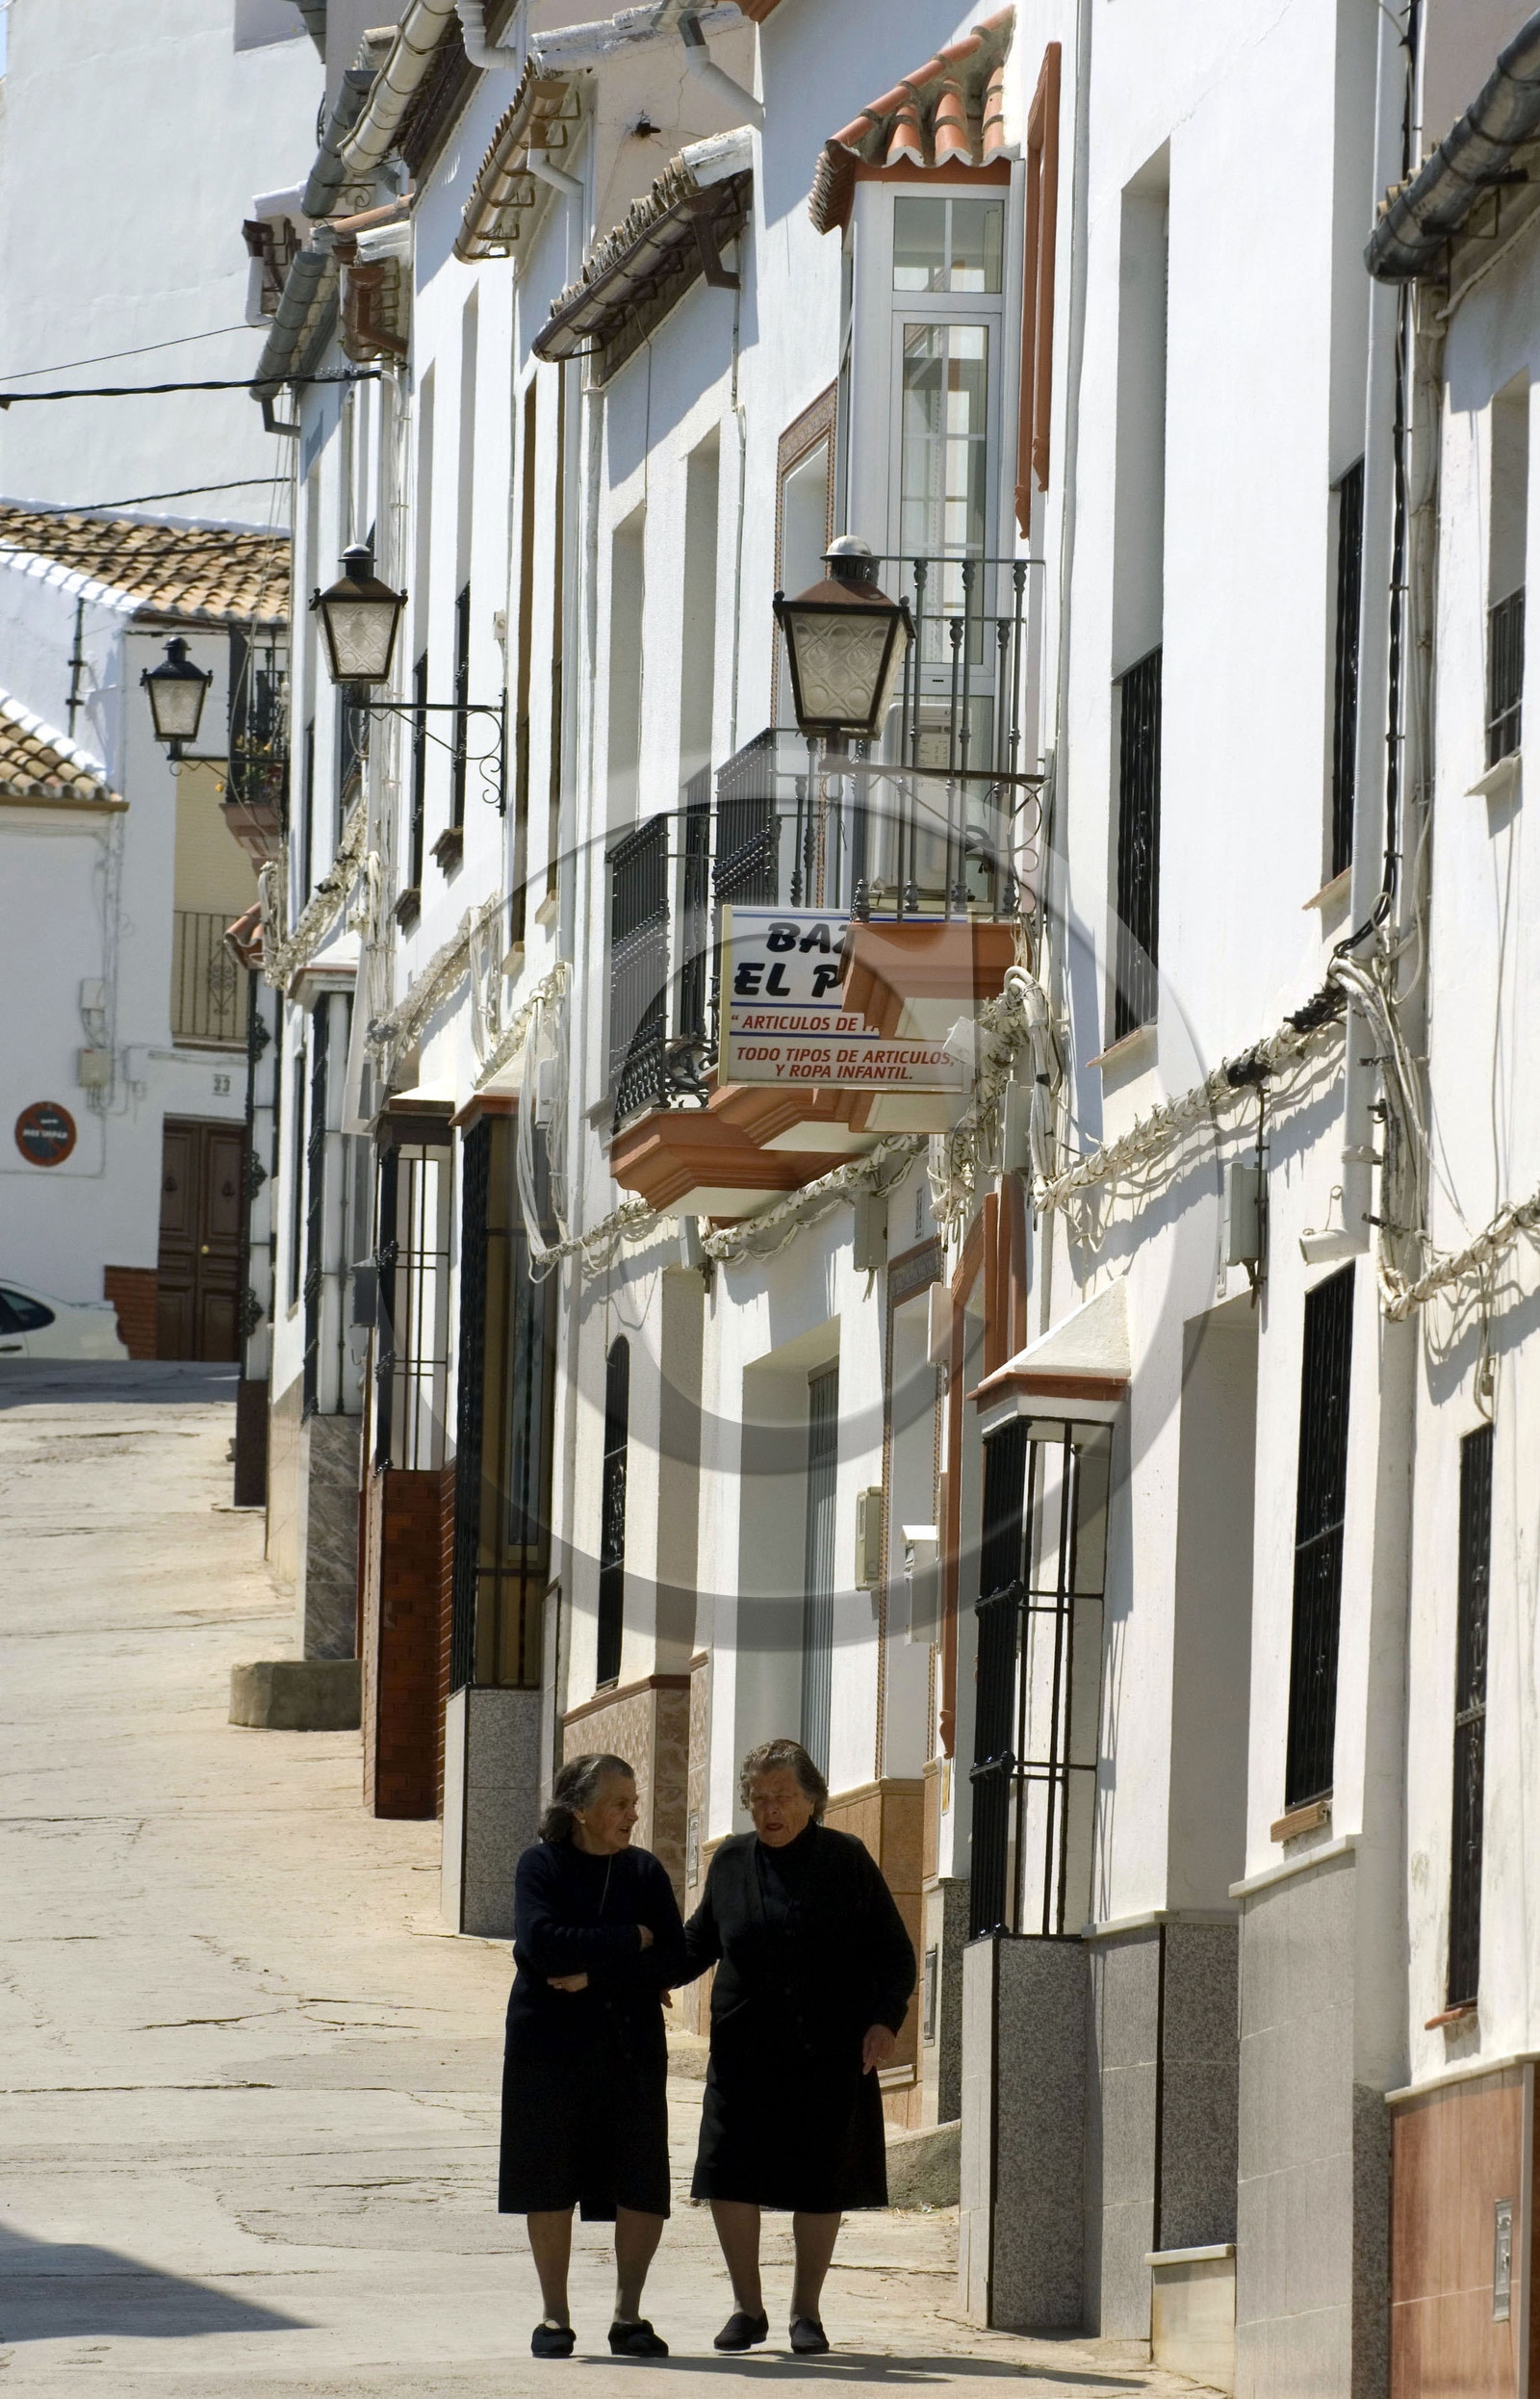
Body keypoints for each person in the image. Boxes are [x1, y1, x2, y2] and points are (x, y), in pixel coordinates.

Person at [680, 1737, 916, 2356]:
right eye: (757, 1799)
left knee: (820, 2178)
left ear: (812, 1799)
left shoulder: (846, 1858)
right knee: (728, 2173)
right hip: (743, 2049)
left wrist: (883, 2021)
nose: (769, 1810)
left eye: (782, 1797)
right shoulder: (730, 1862)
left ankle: (805, 2313)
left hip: (826, 2048)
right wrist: (641, 1974)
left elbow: (893, 1954)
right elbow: (698, 1942)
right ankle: (747, 2308)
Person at [499, 1753, 685, 2359]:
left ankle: (629, 2317)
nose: (634, 1813)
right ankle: (554, 2317)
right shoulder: (541, 1865)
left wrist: (597, 1975)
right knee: (548, 2178)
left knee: (639, 2179)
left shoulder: (645, 1873)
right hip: (547, 2048)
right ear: (579, 1810)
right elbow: (540, 1947)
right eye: (621, 1803)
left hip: (629, 2048)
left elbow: (674, 1960)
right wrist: (628, 1940)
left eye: (635, 1800)